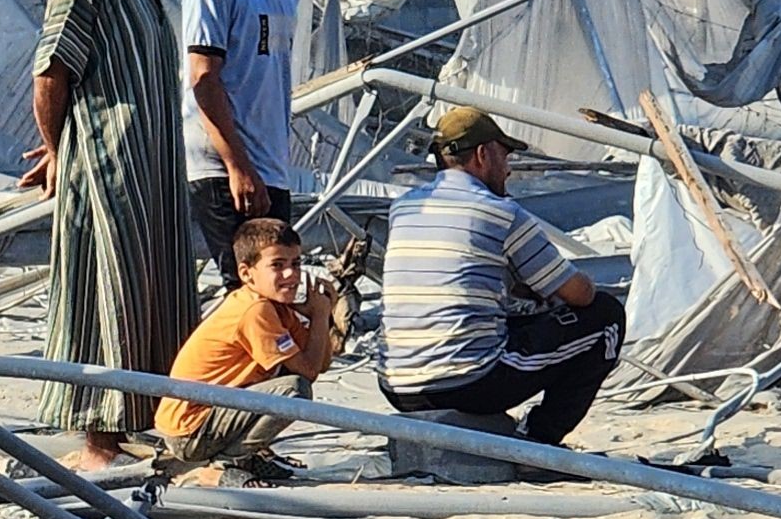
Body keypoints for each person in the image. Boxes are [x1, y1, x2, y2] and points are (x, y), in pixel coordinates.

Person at [28, 0, 197, 467]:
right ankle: (98, 438)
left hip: (151, 170)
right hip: (106, 173)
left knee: (155, 292)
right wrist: (58, 150)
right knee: (106, 296)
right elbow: (50, 75)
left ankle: (134, 421)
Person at [380, 105, 626, 449]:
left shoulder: (403, 207)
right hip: (468, 382)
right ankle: (540, 442)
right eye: (505, 156)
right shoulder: (501, 212)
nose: (509, 169)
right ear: (483, 155)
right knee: (606, 316)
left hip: (396, 384)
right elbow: (580, 295)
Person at [182, 0, 304, 279]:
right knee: (252, 288)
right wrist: (237, 165)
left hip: (271, 164)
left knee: (278, 286)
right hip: (225, 167)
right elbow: (203, 77)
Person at [156, 217, 344, 481]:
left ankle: (241, 457)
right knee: (293, 390)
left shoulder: (275, 306)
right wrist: (322, 314)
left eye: (296, 264)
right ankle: (223, 465)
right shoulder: (255, 309)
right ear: (246, 273)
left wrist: (319, 317)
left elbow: (320, 363)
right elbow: (308, 373)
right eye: (277, 265)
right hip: (191, 429)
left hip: (212, 416)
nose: (291, 275)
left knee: (290, 380)